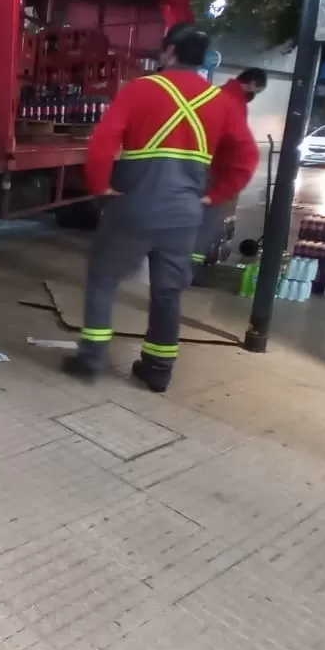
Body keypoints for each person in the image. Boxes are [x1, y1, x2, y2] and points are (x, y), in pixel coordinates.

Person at [71, 23, 259, 392]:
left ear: (170, 51)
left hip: (135, 207)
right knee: (168, 292)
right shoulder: (220, 101)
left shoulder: (141, 89)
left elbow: (101, 144)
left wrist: (101, 187)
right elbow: (247, 157)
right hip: (185, 214)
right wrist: (216, 194)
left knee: (103, 276)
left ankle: (92, 357)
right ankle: (157, 369)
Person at [192, 67, 268, 276]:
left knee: (201, 218)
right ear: (252, 83)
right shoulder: (234, 102)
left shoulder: (219, 93)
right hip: (216, 169)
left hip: (203, 165)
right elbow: (238, 146)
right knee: (208, 221)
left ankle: (188, 262)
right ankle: (192, 267)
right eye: (258, 89)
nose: (256, 94)